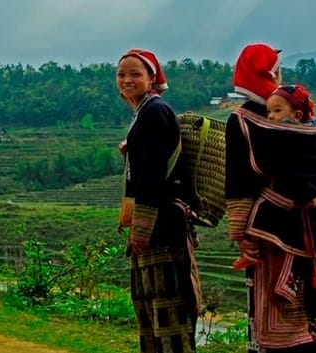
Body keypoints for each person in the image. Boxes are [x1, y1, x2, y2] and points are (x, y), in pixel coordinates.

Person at [224, 43, 316, 353]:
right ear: (270, 73)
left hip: (271, 229)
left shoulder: (242, 121)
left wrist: (240, 233)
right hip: (309, 226)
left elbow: (239, 181)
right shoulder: (302, 120)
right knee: (312, 298)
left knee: (270, 304)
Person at [115, 48, 202, 353]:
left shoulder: (154, 112)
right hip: (158, 224)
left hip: (161, 226)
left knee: (167, 309)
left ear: (151, 78)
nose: (126, 80)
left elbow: (152, 174)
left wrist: (140, 228)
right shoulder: (146, 112)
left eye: (135, 74)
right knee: (152, 307)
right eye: (121, 74)